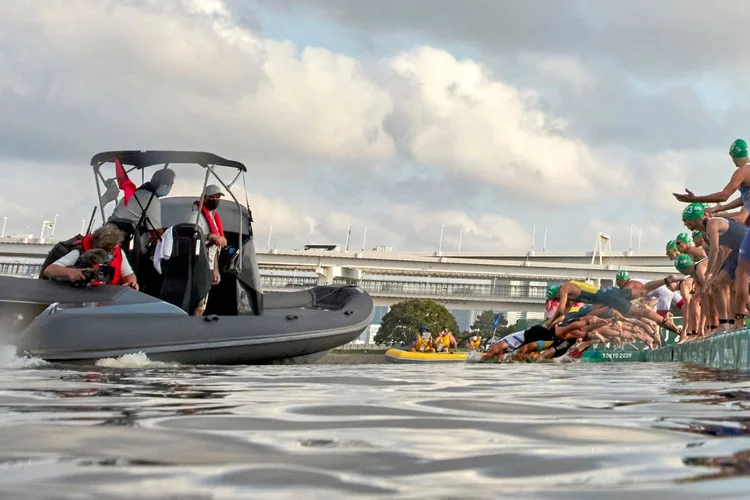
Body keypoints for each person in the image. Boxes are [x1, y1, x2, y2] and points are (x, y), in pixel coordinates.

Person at [673, 139, 750, 325]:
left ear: (732, 156)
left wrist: (695, 199)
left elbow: (724, 194)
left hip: (742, 237)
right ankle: (733, 323)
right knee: (735, 277)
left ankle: (736, 322)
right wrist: (717, 209)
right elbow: (741, 199)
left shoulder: (742, 171)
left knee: (741, 275)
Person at [681, 202, 747, 330]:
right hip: (738, 252)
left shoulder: (712, 223)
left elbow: (715, 249)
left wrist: (709, 273)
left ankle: (737, 322)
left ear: (696, 219)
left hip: (745, 250)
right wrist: (711, 276)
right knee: (717, 283)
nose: (686, 224)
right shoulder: (706, 231)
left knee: (736, 285)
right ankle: (725, 324)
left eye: (687, 221)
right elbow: (721, 254)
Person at [43, 224, 138, 289]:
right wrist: (70, 272)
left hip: (105, 296)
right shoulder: (79, 251)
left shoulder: (119, 252)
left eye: (112, 249)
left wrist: (131, 283)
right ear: (94, 246)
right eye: (106, 250)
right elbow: (49, 270)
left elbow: (128, 274)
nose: (109, 253)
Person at [184, 185, 229, 316]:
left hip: (208, 265)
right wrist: (210, 236)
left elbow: (214, 248)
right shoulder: (196, 216)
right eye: (212, 197)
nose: (215, 200)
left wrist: (215, 269)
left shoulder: (213, 218)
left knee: (202, 302)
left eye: (218, 197)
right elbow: (190, 237)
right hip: (197, 265)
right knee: (197, 302)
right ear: (204, 198)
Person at [109, 168, 176, 241]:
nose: (169, 187)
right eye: (169, 184)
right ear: (159, 182)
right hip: (125, 240)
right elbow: (156, 234)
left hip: (110, 233)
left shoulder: (136, 193)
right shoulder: (151, 199)